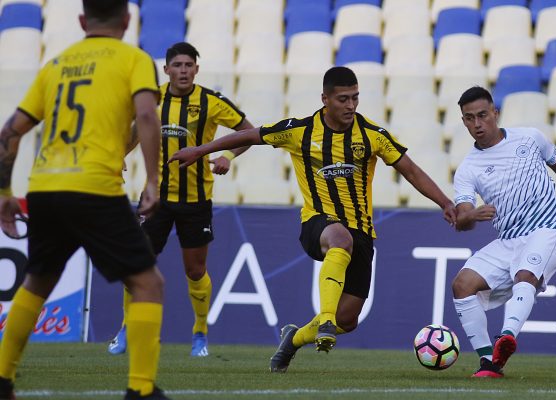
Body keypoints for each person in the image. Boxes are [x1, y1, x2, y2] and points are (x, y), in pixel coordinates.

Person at [167, 66, 457, 372]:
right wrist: (200, 150)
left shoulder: (372, 135)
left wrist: (445, 202)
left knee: (349, 320)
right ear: (325, 99)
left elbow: (410, 170)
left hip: (362, 232)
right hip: (318, 224)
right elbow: (250, 135)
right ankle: (325, 320)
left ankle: (294, 339)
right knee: (339, 241)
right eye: (343, 99)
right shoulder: (300, 130)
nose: (351, 105)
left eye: (355, 98)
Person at [0, 1, 170, 399]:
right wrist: (153, 180)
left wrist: (4, 192)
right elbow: (146, 116)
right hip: (93, 186)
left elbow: (10, 131)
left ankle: (3, 378)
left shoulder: (56, 64)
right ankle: (141, 389)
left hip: (44, 187)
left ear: (82, 21)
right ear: (128, 21)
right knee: (147, 283)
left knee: (38, 280)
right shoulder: (134, 59)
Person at [450, 87, 556, 378]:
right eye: (469, 119)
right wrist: (472, 215)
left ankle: (506, 339)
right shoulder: (468, 168)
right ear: (464, 122)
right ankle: (487, 363)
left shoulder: (529, 137)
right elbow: (463, 216)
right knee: (462, 285)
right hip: (508, 240)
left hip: (547, 228)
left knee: (525, 276)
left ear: (495, 113)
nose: (477, 124)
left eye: (482, 115)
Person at [107, 42, 255, 358]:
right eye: (178, 65)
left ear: (196, 70)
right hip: (156, 197)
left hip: (196, 200)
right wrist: (119, 155)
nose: (183, 71)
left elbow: (248, 132)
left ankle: (200, 332)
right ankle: (126, 328)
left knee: (195, 270)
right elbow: (135, 130)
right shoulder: (154, 99)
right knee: (137, 263)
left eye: (189, 65)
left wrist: (227, 154)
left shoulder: (211, 101)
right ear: (167, 70)